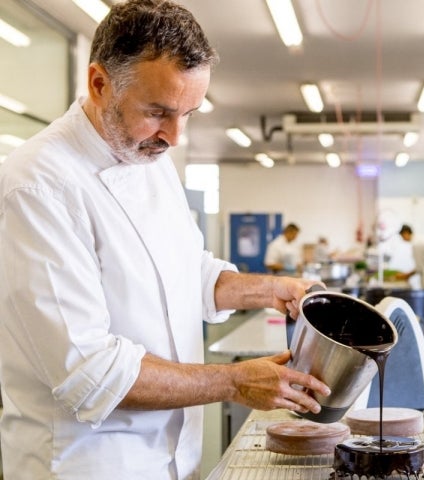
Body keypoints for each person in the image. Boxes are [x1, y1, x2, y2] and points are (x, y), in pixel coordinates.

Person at [0, 1, 329, 478]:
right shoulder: (36, 185)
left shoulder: (148, 157)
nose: (174, 137)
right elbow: (88, 372)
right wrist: (235, 381)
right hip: (91, 465)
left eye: (189, 114)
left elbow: (186, 271)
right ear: (99, 83)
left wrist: (268, 289)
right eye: (158, 112)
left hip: (176, 458)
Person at [395, 224, 424, 290]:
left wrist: (406, 275)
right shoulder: (419, 239)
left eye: (402, 236)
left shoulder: (416, 244)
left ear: (406, 233)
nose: (402, 239)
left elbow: (419, 267)